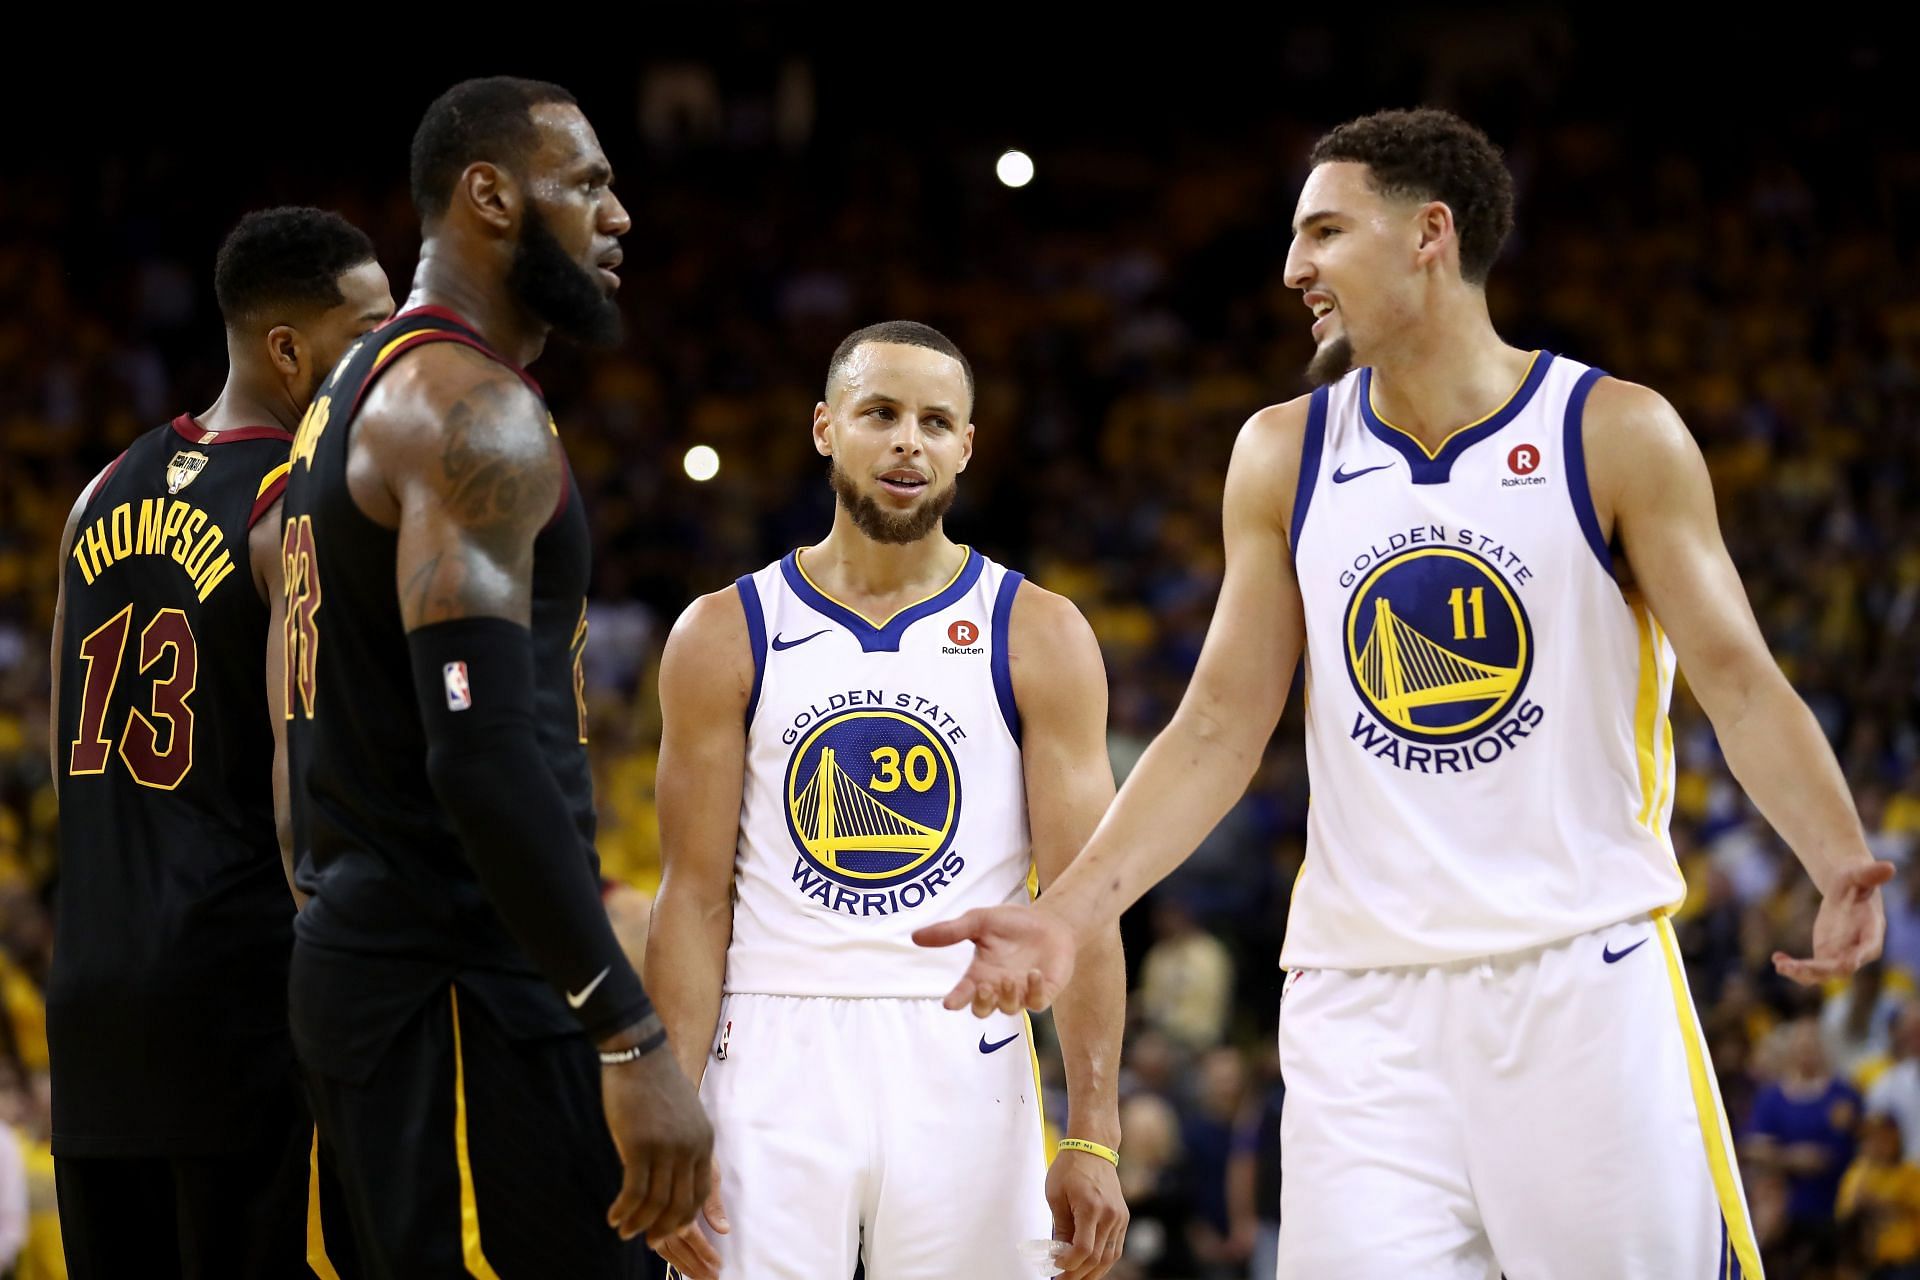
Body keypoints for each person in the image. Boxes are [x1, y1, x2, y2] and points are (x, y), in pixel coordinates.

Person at [917, 107, 1894, 1278]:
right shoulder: (1284, 451)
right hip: (1359, 1009)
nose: (1293, 269)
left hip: (1578, 981)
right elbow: (1222, 723)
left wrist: (1836, 852)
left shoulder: (1614, 432)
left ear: (1430, 234)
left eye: (1324, 232)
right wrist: (1070, 910)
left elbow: (1740, 679)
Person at [282, 76, 708, 1277]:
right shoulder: (470, 411)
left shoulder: (349, 397)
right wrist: (630, 1035)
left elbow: (294, 706)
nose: (619, 216)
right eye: (588, 185)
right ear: (489, 195)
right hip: (460, 996)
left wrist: (333, 900)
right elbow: (477, 752)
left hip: (389, 977)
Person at [647, 321, 1128, 1280]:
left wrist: (1096, 1132)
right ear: (826, 428)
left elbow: (1087, 904)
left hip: (966, 1042)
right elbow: (692, 900)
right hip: (770, 1044)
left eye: (936, 421)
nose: (910, 440)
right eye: (882, 414)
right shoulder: (724, 631)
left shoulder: (1039, 631)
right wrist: (673, 1104)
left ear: (967, 447)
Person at [48, 207, 392, 1277]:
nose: (388, 359)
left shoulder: (95, 494)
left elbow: (67, 752)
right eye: (367, 331)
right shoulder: (293, 508)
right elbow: (306, 793)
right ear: (288, 349)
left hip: (92, 994)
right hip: (235, 994)